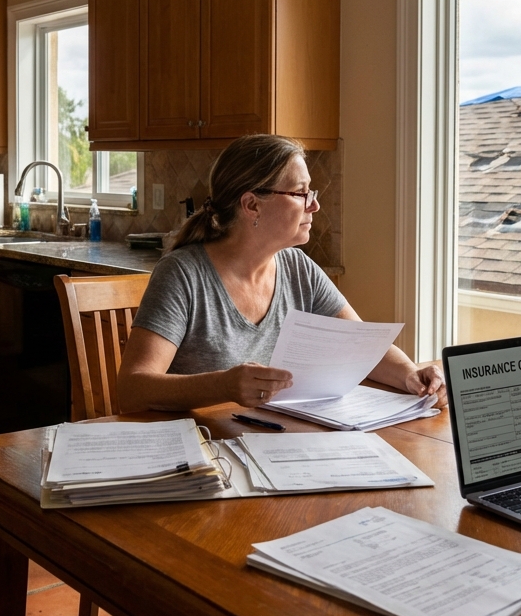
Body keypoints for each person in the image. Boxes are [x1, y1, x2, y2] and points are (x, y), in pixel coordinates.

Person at [118, 134, 445, 412]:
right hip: (201, 453)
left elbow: (361, 347)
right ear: (252, 205)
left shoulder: (299, 268)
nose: (314, 205)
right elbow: (133, 389)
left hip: (267, 440)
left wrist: (411, 374)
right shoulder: (183, 275)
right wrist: (224, 386)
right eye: (301, 194)